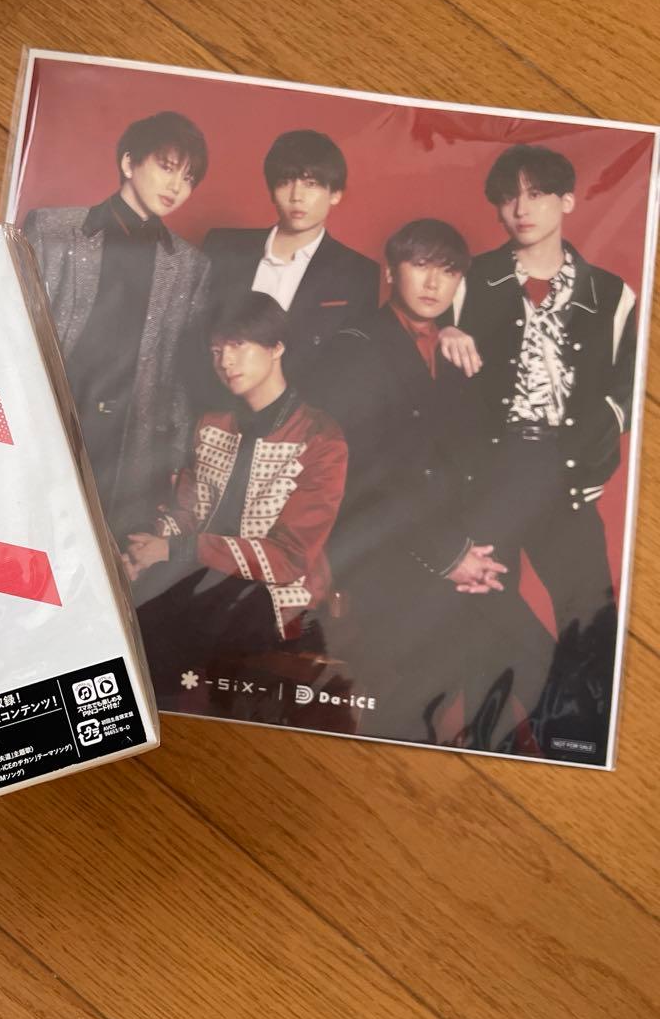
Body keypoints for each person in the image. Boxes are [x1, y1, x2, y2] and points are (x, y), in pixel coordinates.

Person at [314, 219, 552, 748]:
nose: (432, 283)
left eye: (447, 271)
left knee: (526, 666)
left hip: (458, 552)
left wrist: (477, 554)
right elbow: (364, 477)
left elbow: (475, 457)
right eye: (419, 265)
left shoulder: (452, 347)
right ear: (390, 271)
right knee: (415, 700)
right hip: (390, 559)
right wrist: (449, 556)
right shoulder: (354, 347)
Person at [437, 145, 637, 761]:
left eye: (537, 194)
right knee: (483, 606)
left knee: (589, 611)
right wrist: (444, 330)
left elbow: (627, 390)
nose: (520, 208)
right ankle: (489, 741)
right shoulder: (467, 280)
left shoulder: (612, 294)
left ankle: (576, 741)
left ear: (567, 201)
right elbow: (420, 368)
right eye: (508, 197)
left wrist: (593, 457)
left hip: (564, 467)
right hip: (488, 471)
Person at [123, 293, 347, 716]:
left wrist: (174, 549)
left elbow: (289, 558)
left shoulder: (319, 436)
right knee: (134, 625)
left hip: (274, 597)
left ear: (276, 347)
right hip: (202, 580)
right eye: (216, 350)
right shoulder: (213, 425)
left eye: (238, 345)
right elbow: (188, 514)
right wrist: (146, 547)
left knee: (164, 643)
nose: (225, 361)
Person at [22, 111, 211, 540]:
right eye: (166, 167)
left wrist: (175, 461)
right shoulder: (52, 229)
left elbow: (181, 376)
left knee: (99, 548)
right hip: (49, 415)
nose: (176, 186)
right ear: (128, 162)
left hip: (131, 443)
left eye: (188, 178)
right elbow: (13, 329)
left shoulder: (190, 266)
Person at [202, 130, 379, 395]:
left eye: (311, 183)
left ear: (335, 194)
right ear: (272, 192)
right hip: (218, 406)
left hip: (305, 410)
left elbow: (353, 366)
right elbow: (194, 336)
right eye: (285, 182)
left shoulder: (358, 273)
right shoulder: (223, 247)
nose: (297, 196)